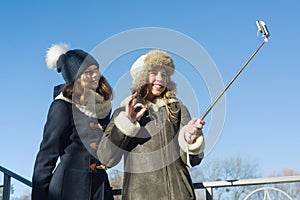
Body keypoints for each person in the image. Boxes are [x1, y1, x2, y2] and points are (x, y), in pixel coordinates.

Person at [97, 50, 205, 200]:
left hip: (180, 195)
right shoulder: (124, 112)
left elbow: (193, 161)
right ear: (141, 77)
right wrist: (127, 123)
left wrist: (191, 139)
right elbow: (106, 158)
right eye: (154, 72)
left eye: (164, 74)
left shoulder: (177, 109)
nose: (160, 79)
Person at [32, 43, 114, 200]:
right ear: (76, 78)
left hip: (100, 188)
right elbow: (47, 155)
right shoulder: (62, 106)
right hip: (68, 189)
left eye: (96, 69)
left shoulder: (103, 108)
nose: (95, 75)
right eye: (88, 72)